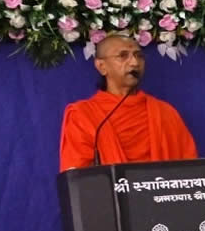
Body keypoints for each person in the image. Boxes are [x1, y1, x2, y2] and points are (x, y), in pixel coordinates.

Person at [59, 34, 197, 171]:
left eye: (139, 56)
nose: (134, 63)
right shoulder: (83, 115)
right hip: (109, 192)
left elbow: (189, 169)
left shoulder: (165, 112)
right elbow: (78, 176)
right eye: (123, 56)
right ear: (101, 66)